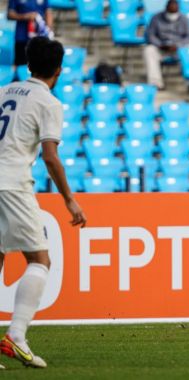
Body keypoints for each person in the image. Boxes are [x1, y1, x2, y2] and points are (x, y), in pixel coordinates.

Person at [0, 36, 87, 369]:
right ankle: (17, 335)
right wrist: (70, 201)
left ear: (27, 64)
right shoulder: (48, 102)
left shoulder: (4, 91)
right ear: (60, 70)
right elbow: (50, 156)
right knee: (40, 259)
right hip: (12, 184)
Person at [144, 0, 189, 90]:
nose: (172, 14)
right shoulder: (156, 18)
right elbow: (150, 35)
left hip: (178, 50)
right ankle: (156, 83)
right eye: (170, 11)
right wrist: (160, 44)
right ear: (166, 8)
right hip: (161, 48)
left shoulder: (184, 19)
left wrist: (178, 45)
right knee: (149, 50)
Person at [7, 0, 54, 66]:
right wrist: (26, 16)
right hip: (22, 37)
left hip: (40, 37)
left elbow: (48, 12)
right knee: (21, 65)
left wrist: (49, 29)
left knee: (41, 65)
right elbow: (10, 14)